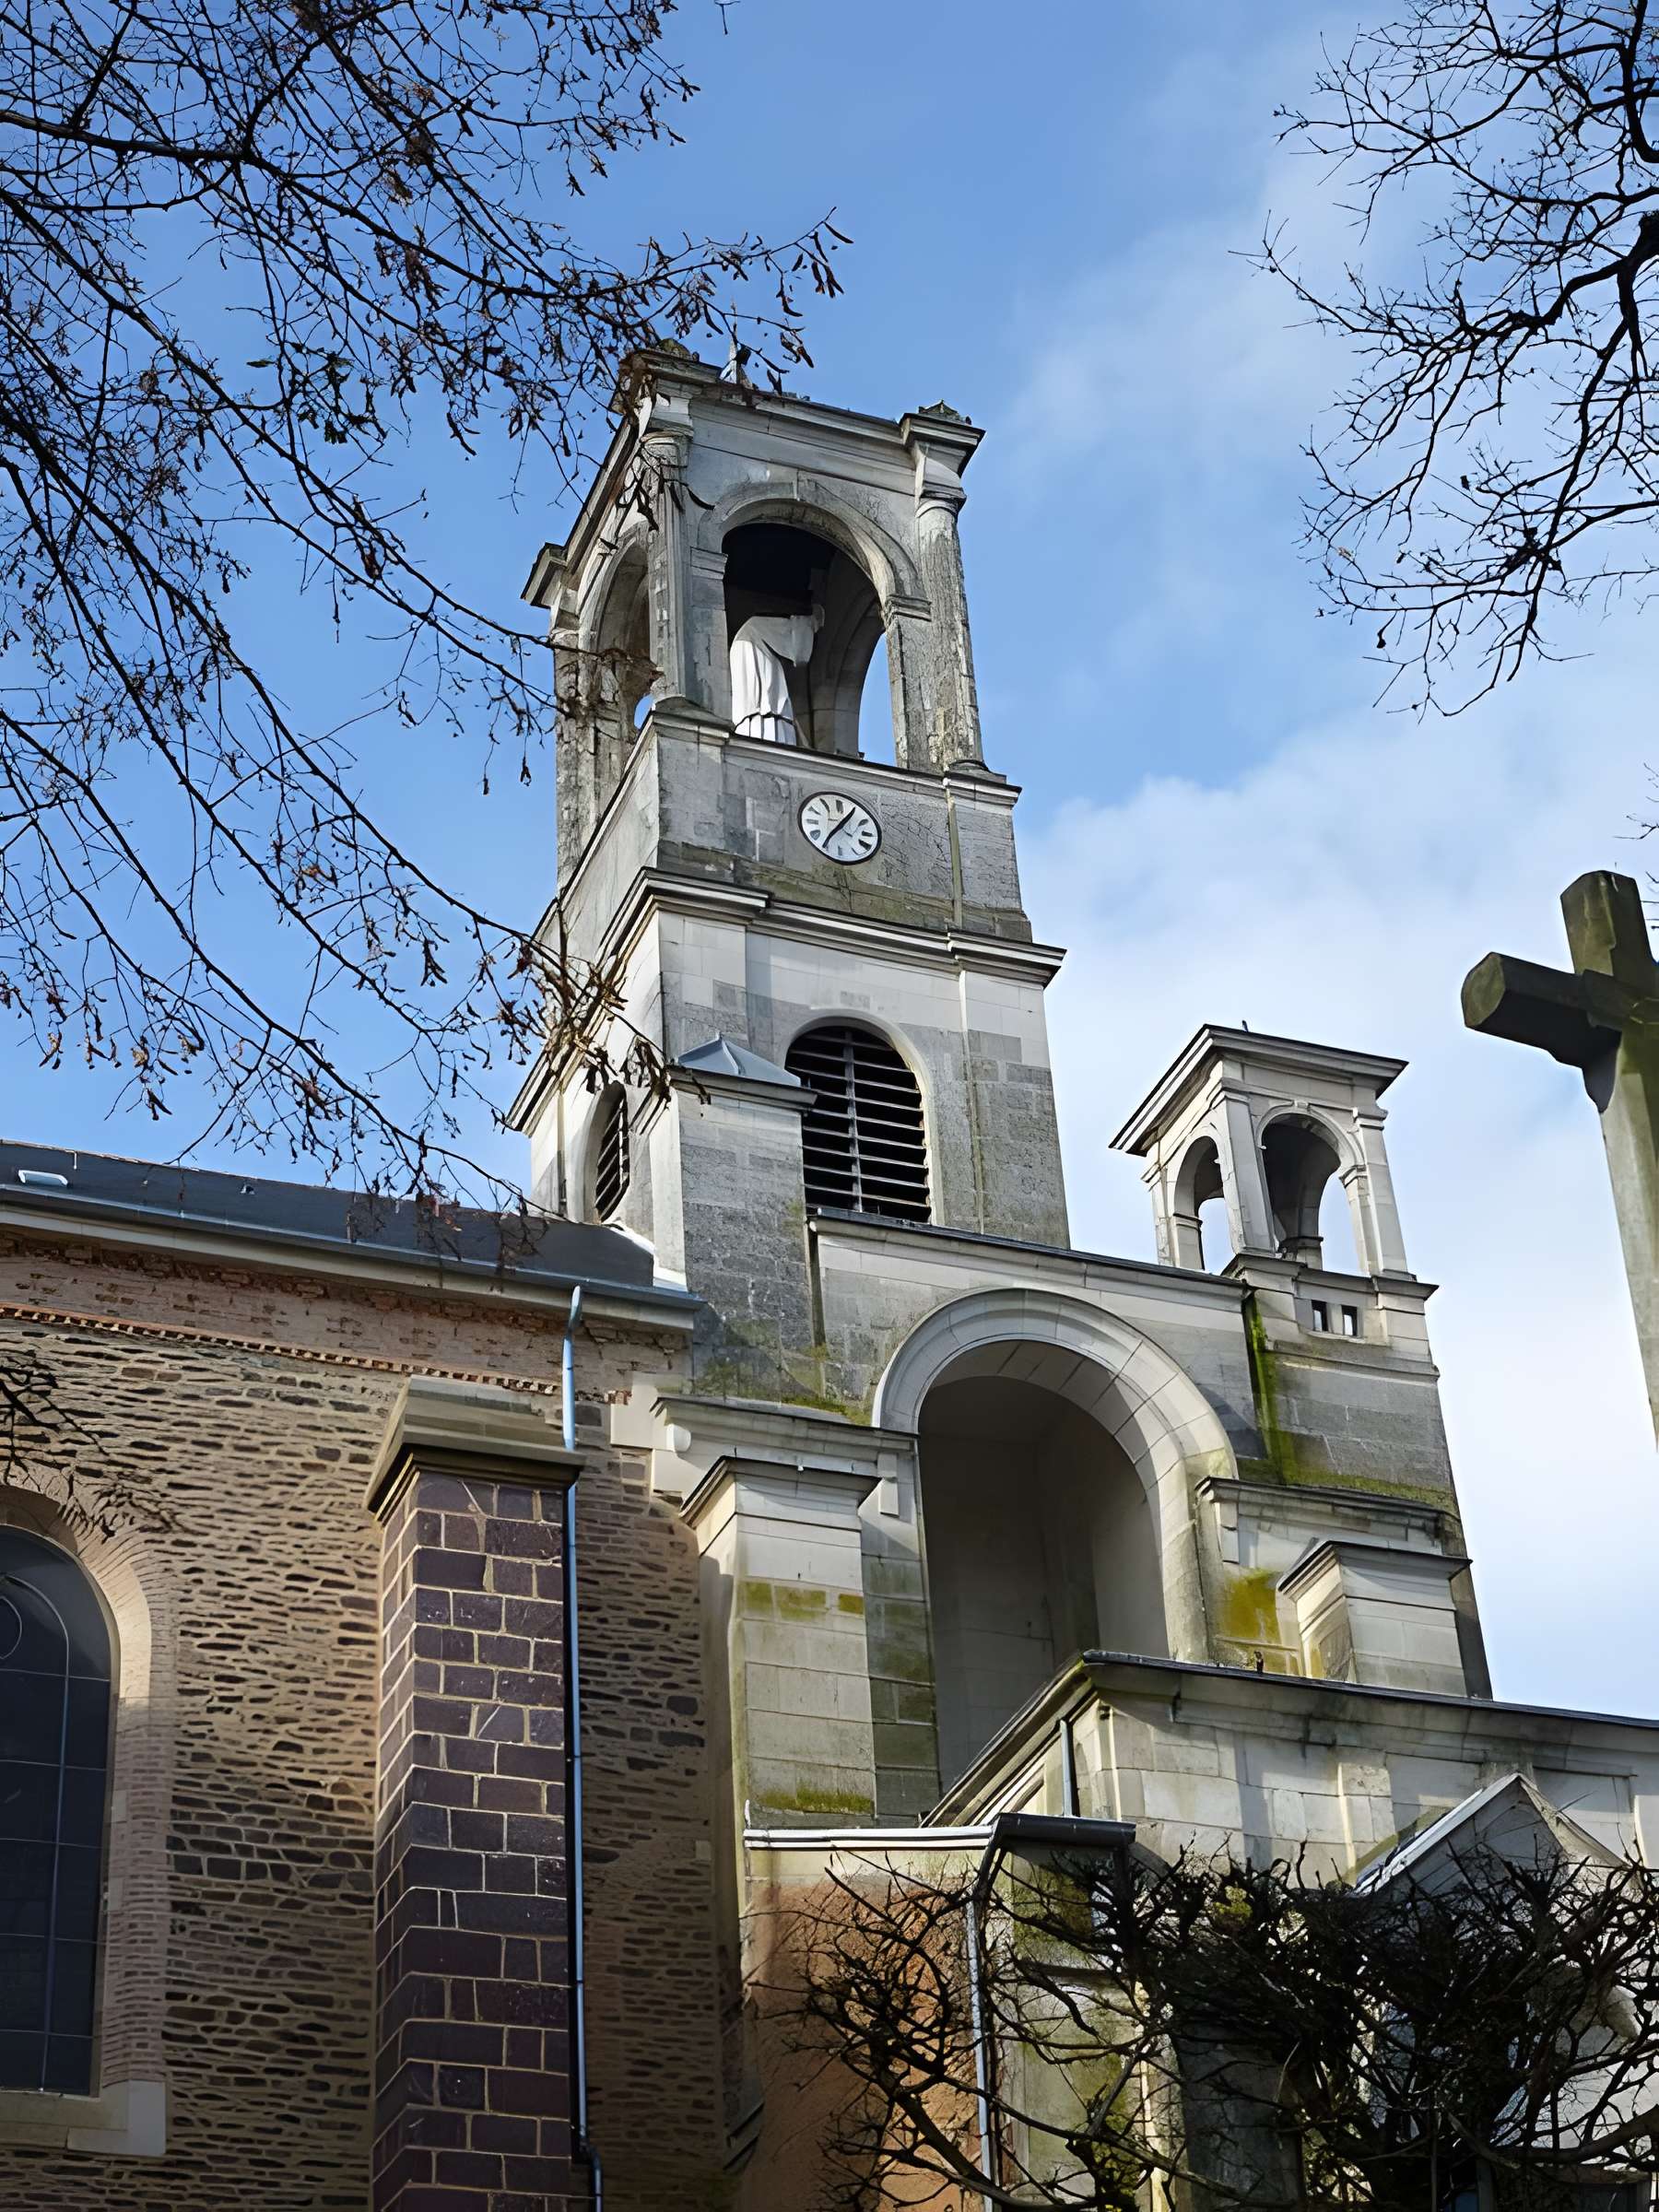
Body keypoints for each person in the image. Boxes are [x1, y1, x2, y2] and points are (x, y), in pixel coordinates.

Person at [729, 605, 822, 744]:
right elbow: (800, 653)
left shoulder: (746, 634)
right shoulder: (756, 627)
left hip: (750, 722)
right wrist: (811, 622)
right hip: (767, 719)